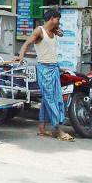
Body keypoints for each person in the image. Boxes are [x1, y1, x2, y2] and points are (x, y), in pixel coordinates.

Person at [16, 8, 74, 142]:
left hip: (54, 68)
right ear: (52, 18)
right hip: (44, 69)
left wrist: (58, 31)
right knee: (51, 100)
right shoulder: (39, 31)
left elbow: (60, 35)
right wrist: (20, 57)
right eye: (58, 19)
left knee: (51, 99)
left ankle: (42, 129)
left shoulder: (53, 32)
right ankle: (58, 130)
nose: (59, 22)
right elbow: (27, 43)